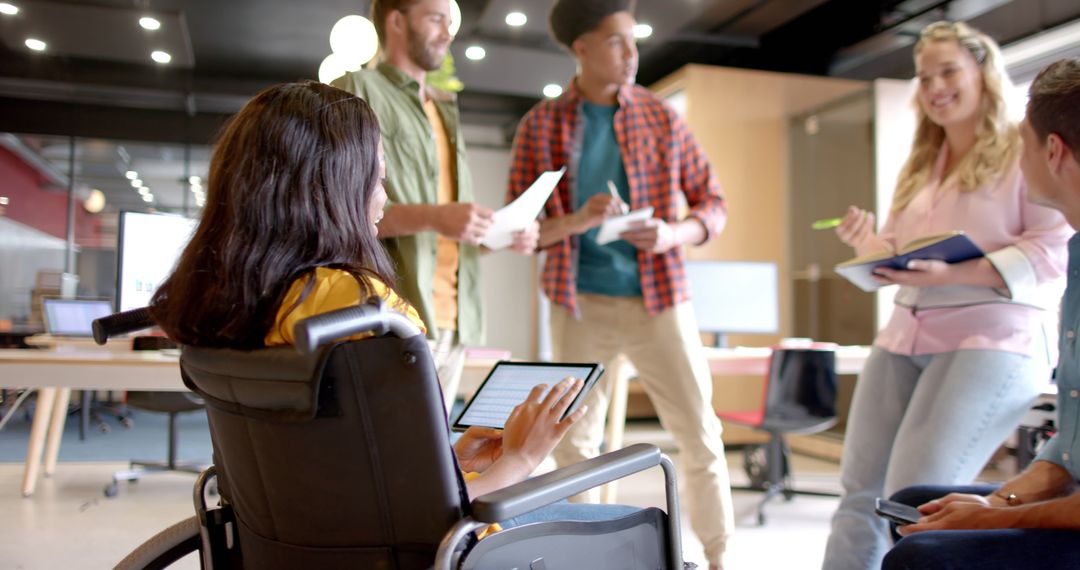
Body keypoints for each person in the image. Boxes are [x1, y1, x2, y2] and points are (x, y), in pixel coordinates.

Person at [147, 80, 612, 506]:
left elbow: (342, 470)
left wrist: (449, 460)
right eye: (377, 177)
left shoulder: (221, 295)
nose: (383, 199)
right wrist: (521, 459)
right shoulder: (359, 309)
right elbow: (431, 516)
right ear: (333, 186)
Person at [821, 22, 1072, 570]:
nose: (935, 86)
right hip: (906, 332)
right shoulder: (921, 160)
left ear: (983, 72)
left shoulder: (1023, 150)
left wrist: (957, 274)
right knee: (859, 491)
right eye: (924, 76)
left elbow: (1053, 248)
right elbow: (904, 251)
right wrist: (872, 246)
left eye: (948, 71)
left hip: (992, 335)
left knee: (912, 496)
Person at [506, 0, 734, 566]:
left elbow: (714, 204)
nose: (632, 53)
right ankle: (588, 558)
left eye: (633, 40)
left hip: (660, 302)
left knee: (700, 433)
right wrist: (580, 218)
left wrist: (674, 233)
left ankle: (722, 555)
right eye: (616, 42)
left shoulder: (660, 117)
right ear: (580, 49)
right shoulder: (542, 124)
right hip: (578, 304)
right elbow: (522, 230)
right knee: (574, 443)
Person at [332, 0, 538, 411]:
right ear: (395, 21)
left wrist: (497, 234)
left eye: (450, 21)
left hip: (453, 318)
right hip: (395, 312)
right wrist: (437, 216)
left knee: (427, 456)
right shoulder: (358, 88)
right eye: (435, 19)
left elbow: (447, 232)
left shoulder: (443, 111)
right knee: (392, 455)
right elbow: (343, 210)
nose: (448, 32)